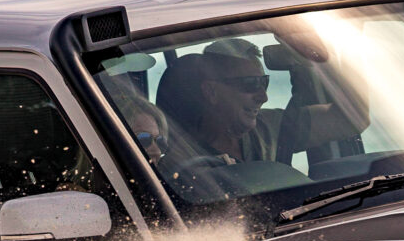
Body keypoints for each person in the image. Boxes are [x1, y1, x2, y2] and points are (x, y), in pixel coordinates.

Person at [158, 44, 369, 164]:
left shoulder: (269, 126)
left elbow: (352, 118)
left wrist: (332, 50)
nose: (263, 96)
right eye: (250, 84)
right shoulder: (180, 165)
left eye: (264, 82)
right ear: (211, 92)